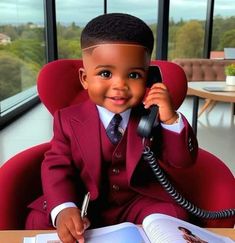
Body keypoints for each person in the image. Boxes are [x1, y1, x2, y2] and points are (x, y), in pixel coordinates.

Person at [25, 13, 198, 243]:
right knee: (38, 221)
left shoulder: (152, 116)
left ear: (149, 79)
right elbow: (56, 166)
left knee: (174, 218)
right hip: (85, 201)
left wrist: (169, 119)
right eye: (105, 73)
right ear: (85, 78)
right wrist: (64, 208)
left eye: (134, 75)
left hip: (137, 201)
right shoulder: (67, 119)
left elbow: (182, 161)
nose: (120, 86)